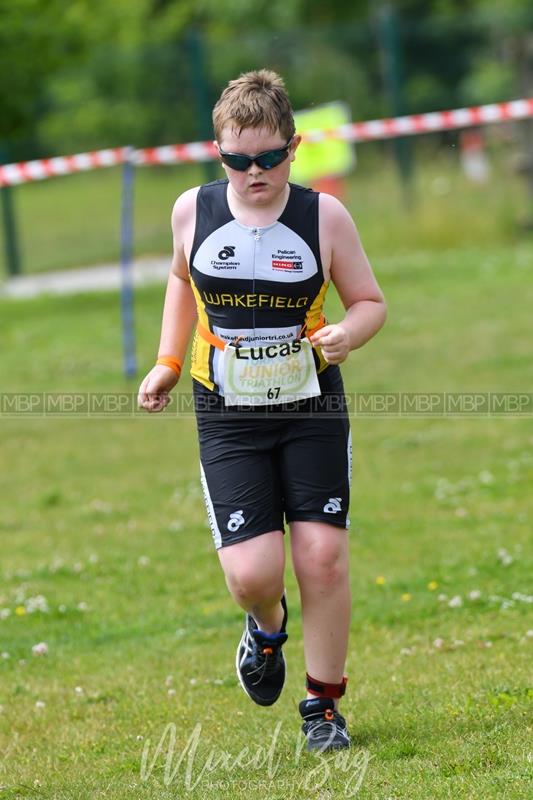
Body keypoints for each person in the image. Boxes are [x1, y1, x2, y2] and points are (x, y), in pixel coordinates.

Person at [137, 69, 387, 751]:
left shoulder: (322, 217)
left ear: (293, 148)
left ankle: (322, 707)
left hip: (310, 405)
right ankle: (266, 627)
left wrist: (348, 333)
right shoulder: (192, 209)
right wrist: (165, 361)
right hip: (227, 413)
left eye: (269, 157)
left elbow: (369, 302)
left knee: (323, 557)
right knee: (252, 574)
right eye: (238, 159)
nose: (255, 172)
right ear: (218, 153)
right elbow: (178, 279)